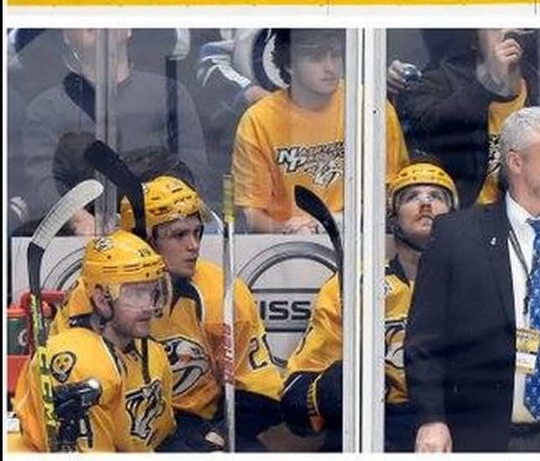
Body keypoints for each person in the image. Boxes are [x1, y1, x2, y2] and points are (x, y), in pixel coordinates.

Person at [405, 107, 540, 452]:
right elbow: (424, 340)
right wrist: (431, 418)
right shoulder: (457, 236)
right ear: (516, 162)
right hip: (475, 435)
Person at [51, 162, 285, 450]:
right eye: (178, 235)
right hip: (114, 423)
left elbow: (262, 392)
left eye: (197, 233)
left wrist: (219, 435)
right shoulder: (91, 293)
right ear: (144, 239)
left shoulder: (223, 293)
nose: (194, 245)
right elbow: (63, 379)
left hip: (198, 425)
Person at [282, 161, 458, 451]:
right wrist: (330, 389)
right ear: (392, 217)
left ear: (456, 215)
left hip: (450, 429)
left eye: (436, 196)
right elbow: (295, 403)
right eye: (412, 196)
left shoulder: (477, 282)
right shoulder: (357, 284)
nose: (425, 203)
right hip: (374, 430)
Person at [20, 28, 208, 236]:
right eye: (83, 14)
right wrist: (79, 220)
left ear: (128, 29)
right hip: (77, 243)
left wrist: (155, 219)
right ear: (66, 35)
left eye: (108, 12)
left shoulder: (169, 93)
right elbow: (42, 182)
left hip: (161, 235)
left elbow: (193, 170)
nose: (98, 20)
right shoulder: (46, 108)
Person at [14, 230, 184, 452]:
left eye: (153, 291)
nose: (148, 306)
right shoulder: (77, 361)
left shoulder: (153, 353)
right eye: (135, 293)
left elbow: (161, 437)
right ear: (102, 300)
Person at [231, 28, 409, 232]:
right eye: (316, 59)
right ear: (289, 65)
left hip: (358, 236)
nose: (330, 68)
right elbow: (252, 214)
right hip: (287, 241)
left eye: (336, 55)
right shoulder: (258, 120)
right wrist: (288, 230)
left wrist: (337, 223)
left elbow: (391, 193)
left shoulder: (370, 107)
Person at [394, 28, 540, 209]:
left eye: (516, 25)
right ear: (475, 39)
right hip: (460, 214)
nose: (507, 33)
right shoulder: (444, 80)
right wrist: (488, 84)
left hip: (522, 214)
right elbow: (424, 129)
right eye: (496, 26)